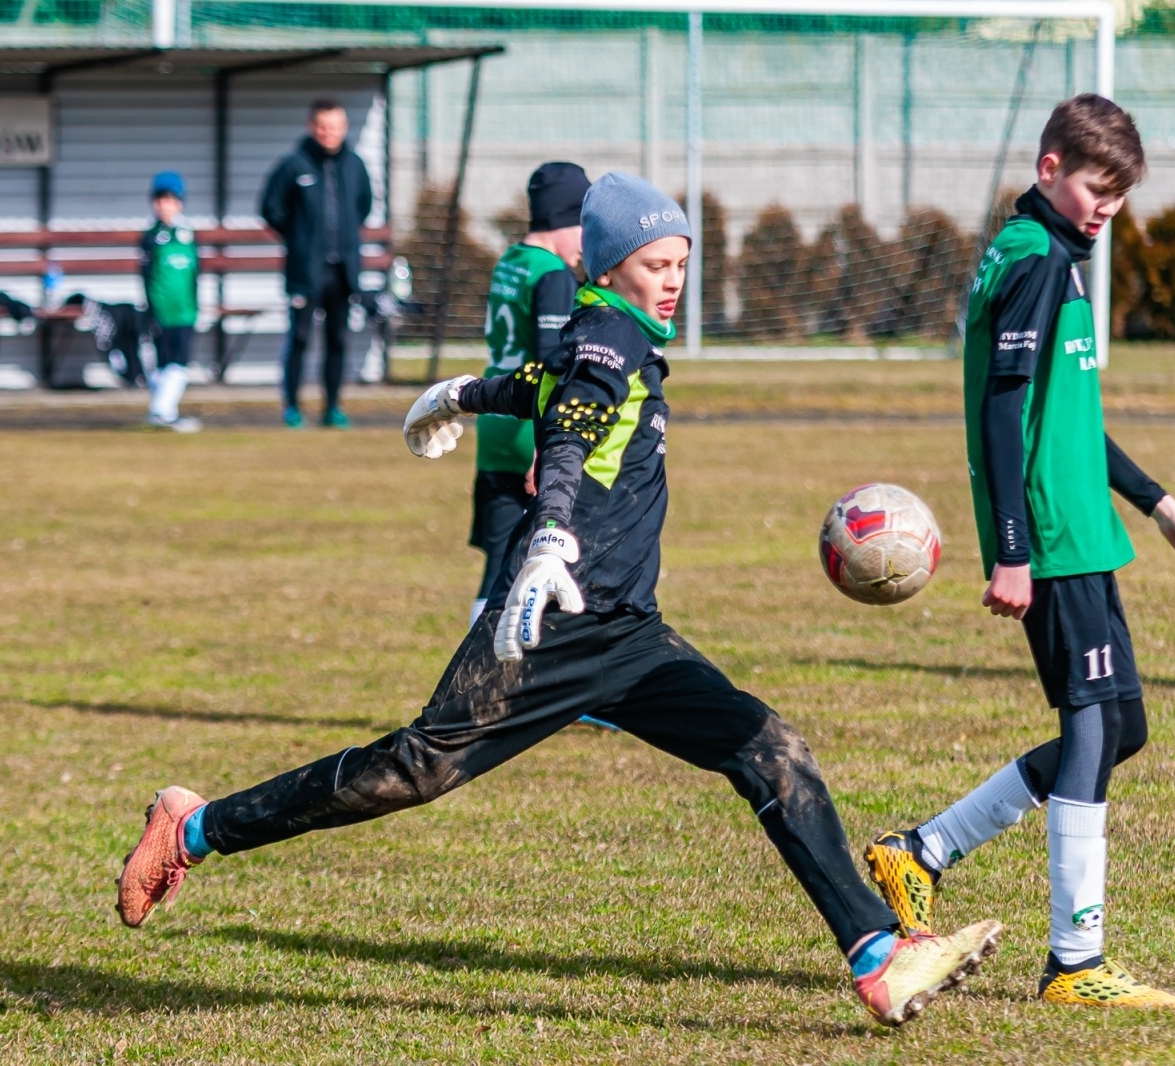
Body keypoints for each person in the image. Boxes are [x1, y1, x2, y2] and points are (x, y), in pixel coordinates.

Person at [114, 172, 1003, 1029]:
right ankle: (196, 828)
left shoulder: (601, 334)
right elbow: (573, 429)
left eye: (683, 267)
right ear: (610, 264)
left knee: (768, 749)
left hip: (628, 635)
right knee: (413, 769)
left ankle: (878, 958)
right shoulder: (608, 342)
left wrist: (465, 392)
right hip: (553, 627)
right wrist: (547, 534)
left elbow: (541, 387)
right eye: (659, 266)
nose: (674, 284)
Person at [862, 95, 1175, 1009]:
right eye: (1097, 189)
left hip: (1082, 532)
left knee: (1118, 728)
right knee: (1096, 727)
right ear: (1049, 167)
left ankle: (923, 851)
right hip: (1052, 541)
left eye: (1120, 196)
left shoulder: (1055, 254)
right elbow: (1001, 412)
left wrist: (1163, 508)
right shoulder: (1032, 263)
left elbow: (1070, 421)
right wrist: (1013, 552)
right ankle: (1075, 963)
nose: (1108, 209)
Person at [469, 162, 589, 629]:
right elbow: (548, 366)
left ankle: (472, 670)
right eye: (583, 227)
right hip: (528, 430)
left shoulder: (510, 262)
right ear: (565, 219)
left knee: (498, 563)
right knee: (543, 562)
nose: (586, 243)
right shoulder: (553, 275)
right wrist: (547, 445)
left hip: (494, 426)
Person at [260, 99, 373, 429]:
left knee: (337, 340)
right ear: (312, 127)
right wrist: (298, 238)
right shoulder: (294, 164)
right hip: (305, 272)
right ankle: (292, 407)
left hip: (343, 272)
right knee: (300, 338)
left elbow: (363, 206)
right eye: (323, 126)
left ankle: (333, 408)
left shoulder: (355, 165)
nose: (329, 133)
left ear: (344, 128)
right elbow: (270, 207)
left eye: (335, 127)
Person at [139, 171, 201, 433]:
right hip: (162, 311)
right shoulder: (151, 238)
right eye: (161, 200)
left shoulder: (188, 235)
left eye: (171, 200)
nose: (166, 206)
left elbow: (195, 275)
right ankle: (163, 412)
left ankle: (165, 411)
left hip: (185, 310)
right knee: (164, 360)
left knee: (181, 361)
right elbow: (147, 278)